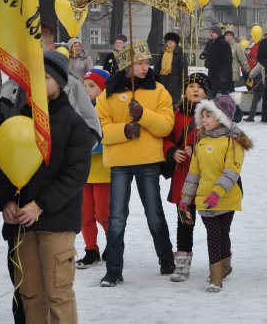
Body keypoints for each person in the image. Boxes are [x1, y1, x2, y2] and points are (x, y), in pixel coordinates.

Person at [0, 51, 91, 323]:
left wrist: (40, 205)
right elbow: (2, 165)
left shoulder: (73, 123)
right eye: (33, 77)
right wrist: (7, 201)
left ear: (60, 82)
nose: (37, 82)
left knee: (58, 295)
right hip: (22, 225)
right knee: (30, 294)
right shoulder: (16, 120)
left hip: (56, 223)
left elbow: (76, 175)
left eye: (45, 77)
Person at [95, 40, 176, 287]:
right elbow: (101, 130)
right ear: (126, 65)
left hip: (148, 161)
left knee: (154, 213)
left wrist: (143, 115)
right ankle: (113, 269)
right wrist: (126, 130)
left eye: (146, 62)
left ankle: (166, 259)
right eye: (139, 63)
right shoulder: (107, 94)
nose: (144, 67)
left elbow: (166, 125)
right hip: (120, 163)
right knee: (117, 217)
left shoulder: (158, 90)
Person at [178, 94, 253, 292]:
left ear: (221, 117)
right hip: (205, 199)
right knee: (214, 235)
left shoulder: (233, 142)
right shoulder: (201, 143)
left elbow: (232, 171)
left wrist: (217, 193)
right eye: (203, 116)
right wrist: (185, 199)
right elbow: (194, 173)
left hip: (227, 198)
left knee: (223, 232)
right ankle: (216, 276)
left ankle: (224, 266)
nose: (204, 120)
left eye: (209, 116)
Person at [162, 72, 210, 282]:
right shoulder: (175, 114)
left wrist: (197, 149)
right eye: (191, 86)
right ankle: (182, 263)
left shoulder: (213, 116)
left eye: (200, 86)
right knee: (185, 221)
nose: (196, 89)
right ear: (184, 91)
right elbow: (165, 138)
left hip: (207, 181)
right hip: (184, 182)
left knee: (213, 223)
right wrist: (173, 151)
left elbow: (221, 143)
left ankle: (219, 263)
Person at [77, 69, 111, 269]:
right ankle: (91, 249)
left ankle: (113, 244)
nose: (88, 90)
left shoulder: (106, 108)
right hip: (84, 172)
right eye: (86, 86)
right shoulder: (79, 108)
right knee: (85, 214)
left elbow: (103, 137)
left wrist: (87, 143)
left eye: (92, 86)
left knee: (103, 213)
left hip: (104, 172)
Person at [155, 32, 188, 104]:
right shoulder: (162, 52)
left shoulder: (179, 53)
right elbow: (157, 66)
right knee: (162, 101)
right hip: (162, 81)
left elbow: (184, 68)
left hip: (175, 84)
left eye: (172, 41)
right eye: (168, 41)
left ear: (176, 43)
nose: (170, 42)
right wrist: (154, 78)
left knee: (173, 102)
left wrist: (184, 82)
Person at [200, 26, 233, 97]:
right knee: (210, 96)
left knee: (226, 96)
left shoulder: (224, 43)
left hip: (223, 75)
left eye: (211, 32)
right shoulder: (210, 43)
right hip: (212, 74)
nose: (210, 34)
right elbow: (206, 52)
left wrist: (224, 73)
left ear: (217, 33)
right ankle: (211, 108)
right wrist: (204, 54)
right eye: (210, 32)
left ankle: (231, 108)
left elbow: (228, 60)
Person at [244, 30, 264, 122]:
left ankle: (254, 116)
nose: (252, 38)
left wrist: (249, 53)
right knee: (257, 97)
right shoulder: (253, 46)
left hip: (259, 73)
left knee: (261, 97)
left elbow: (256, 57)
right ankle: (252, 116)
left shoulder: (260, 46)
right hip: (255, 72)